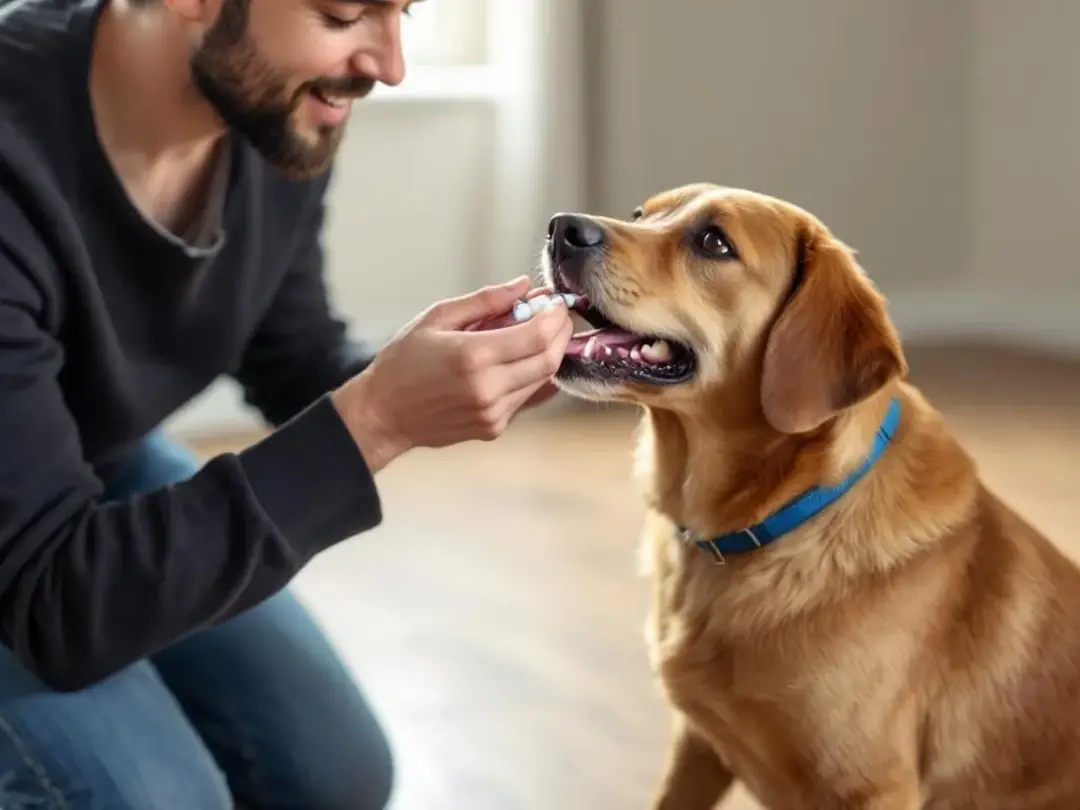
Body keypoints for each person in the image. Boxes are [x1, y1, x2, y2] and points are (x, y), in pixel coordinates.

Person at [0, 0, 574, 807]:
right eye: (346, 12)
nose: (390, 63)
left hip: (94, 455)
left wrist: (442, 365)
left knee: (336, 773)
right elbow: (56, 603)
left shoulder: (273, 110)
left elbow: (290, 352)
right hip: (26, 548)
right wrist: (377, 417)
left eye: (405, 11)